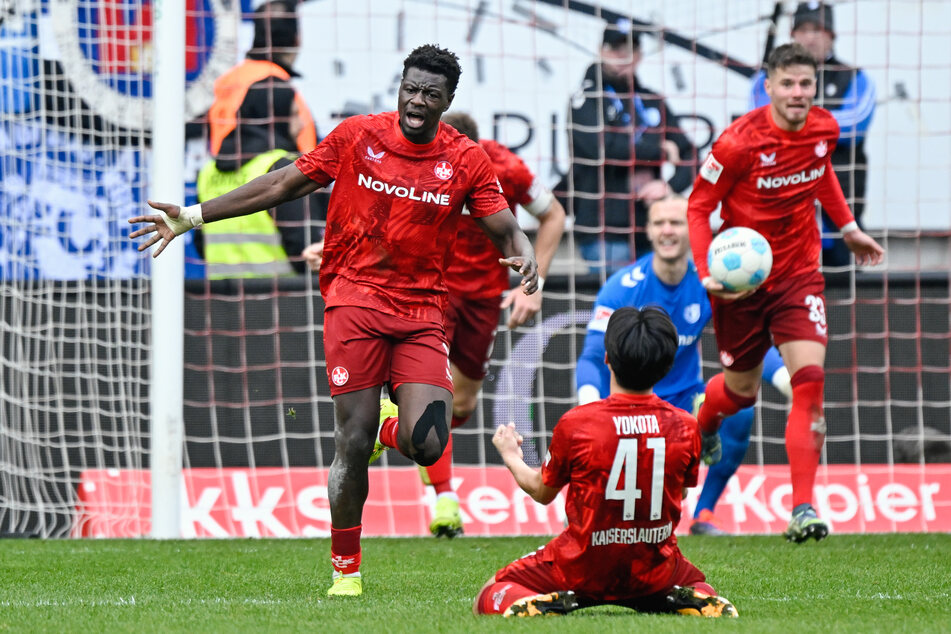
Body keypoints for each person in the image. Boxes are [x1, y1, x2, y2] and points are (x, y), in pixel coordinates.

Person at [129, 44, 538, 597]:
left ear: (448, 101)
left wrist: (524, 250)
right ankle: (346, 574)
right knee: (351, 440)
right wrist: (193, 217)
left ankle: (384, 427)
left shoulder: (465, 159)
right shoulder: (358, 137)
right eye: (411, 89)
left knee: (431, 442)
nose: (417, 102)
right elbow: (280, 185)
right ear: (401, 86)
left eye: (431, 95)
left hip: (421, 311)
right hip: (354, 302)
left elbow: (504, 226)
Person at [687, 43, 884, 543]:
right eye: (788, 84)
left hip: (798, 273)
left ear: (814, 87)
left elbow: (821, 174)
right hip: (741, 285)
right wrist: (706, 268)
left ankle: (802, 508)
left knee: (810, 383)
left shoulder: (825, 128)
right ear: (769, 86)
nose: (798, 93)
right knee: (740, 392)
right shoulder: (737, 142)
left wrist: (849, 226)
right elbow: (698, 205)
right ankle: (704, 420)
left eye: (806, 84)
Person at [368, 111, 566, 537]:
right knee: (435, 392)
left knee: (462, 404)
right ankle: (445, 498)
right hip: (428, 292)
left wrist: (536, 281)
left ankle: (406, 434)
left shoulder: (507, 169)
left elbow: (553, 216)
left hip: (483, 297)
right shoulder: (415, 166)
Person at [474, 306, 738, 618]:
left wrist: (510, 455)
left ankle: (538, 605)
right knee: (696, 583)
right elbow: (677, 495)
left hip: (581, 566)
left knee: (489, 592)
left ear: (607, 359)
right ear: (667, 366)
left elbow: (541, 491)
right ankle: (690, 601)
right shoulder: (685, 426)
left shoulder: (578, 423)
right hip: (654, 567)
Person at [575, 195, 791, 536]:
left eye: (675, 223)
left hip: (684, 400)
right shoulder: (622, 287)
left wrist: (785, 379)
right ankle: (586, 509)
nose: (667, 231)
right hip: (627, 405)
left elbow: (746, 347)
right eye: (659, 223)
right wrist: (589, 404)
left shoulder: (711, 282)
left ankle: (704, 513)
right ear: (647, 231)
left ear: (691, 229)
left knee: (740, 409)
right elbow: (591, 358)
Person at [194, 0, 321, 278]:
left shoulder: (228, 83)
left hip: (223, 269)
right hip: (280, 287)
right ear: (297, 38)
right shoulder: (282, 91)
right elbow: (308, 176)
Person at [749, 1, 876, 267]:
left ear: (831, 36)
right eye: (803, 29)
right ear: (792, 35)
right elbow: (759, 123)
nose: (810, 37)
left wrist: (794, 123)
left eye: (818, 29)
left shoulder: (854, 77)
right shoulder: (766, 77)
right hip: (782, 207)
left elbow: (855, 123)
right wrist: (816, 127)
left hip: (841, 208)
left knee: (844, 290)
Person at [567, 18, 696, 275]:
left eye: (631, 49)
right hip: (605, 231)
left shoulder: (651, 99)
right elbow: (602, 148)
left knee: (656, 310)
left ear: (639, 55)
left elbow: (690, 154)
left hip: (651, 230)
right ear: (601, 50)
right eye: (616, 48)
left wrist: (669, 186)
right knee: (621, 312)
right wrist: (660, 150)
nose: (623, 55)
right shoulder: (586, 97)